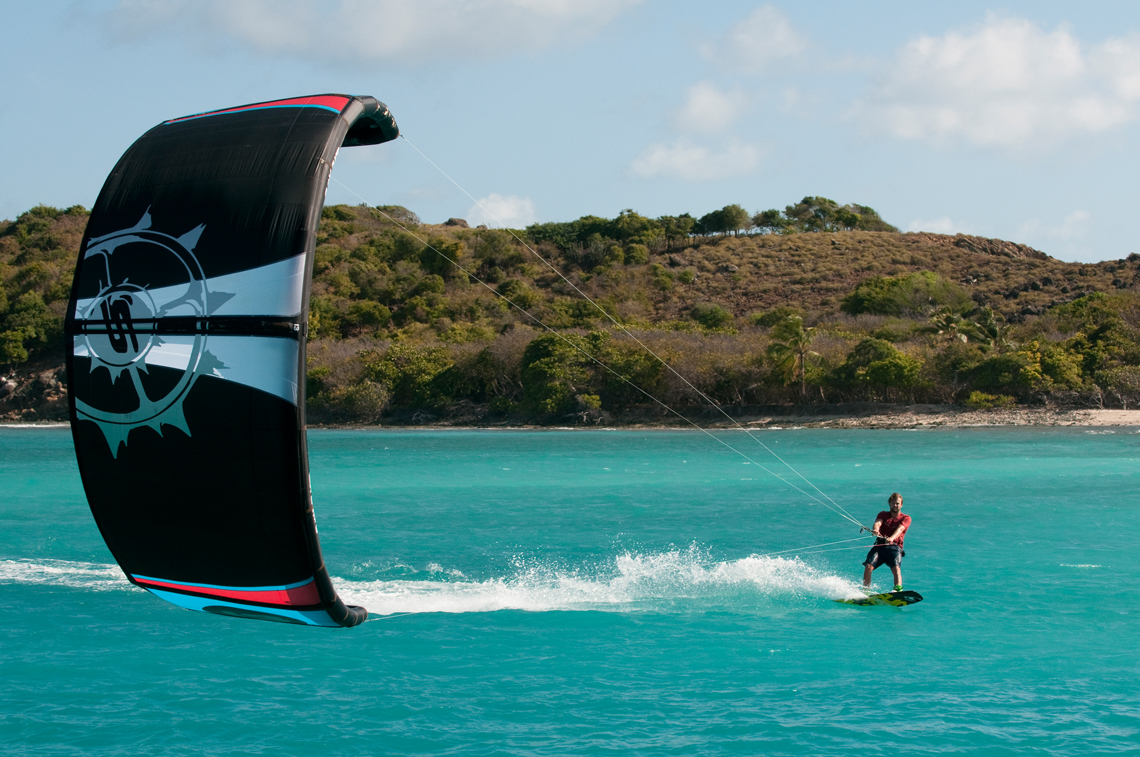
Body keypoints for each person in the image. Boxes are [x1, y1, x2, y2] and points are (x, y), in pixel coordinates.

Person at [861, 492, 911, 592]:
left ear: (901, 504)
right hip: (880, 546)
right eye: (893, 503)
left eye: (897, 503)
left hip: (894, 547)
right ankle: (866, 591)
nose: (895, 505)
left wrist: (892, 538)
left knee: (896, 568)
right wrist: (875, 529)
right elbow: (877, 523)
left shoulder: (906, 518)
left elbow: (900, 529)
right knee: (868, 566)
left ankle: (897, 589)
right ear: (889, 504)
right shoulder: (883, 514)